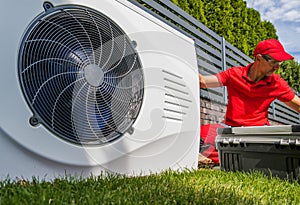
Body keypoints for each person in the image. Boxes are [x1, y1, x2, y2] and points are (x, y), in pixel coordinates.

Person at [198, 39, 300, 165]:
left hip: (258, 131)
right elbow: (203, 82)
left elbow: (299, 106)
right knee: (200, 135)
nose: (277, 67)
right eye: (273, 62)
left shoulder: (276, 84)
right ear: (258, 59)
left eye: (279, 63)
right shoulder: (234, 74)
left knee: (263, 147)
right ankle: (234, 156)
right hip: (231, 129)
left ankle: (224, 156)